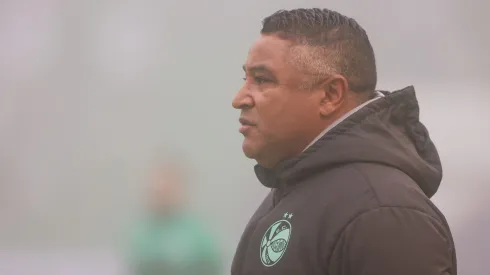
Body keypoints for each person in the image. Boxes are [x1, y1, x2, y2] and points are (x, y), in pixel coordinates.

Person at [231, 8, 457, 275]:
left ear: (330, 95)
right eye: (245, 78)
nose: (239, 99)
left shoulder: (383, 214)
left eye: (262, 80)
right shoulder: (292, 190)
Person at [128, 155, 222, 275]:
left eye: (167, 185)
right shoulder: (141, 234)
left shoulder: (198, 236)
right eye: (157, 188)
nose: (161, 191)